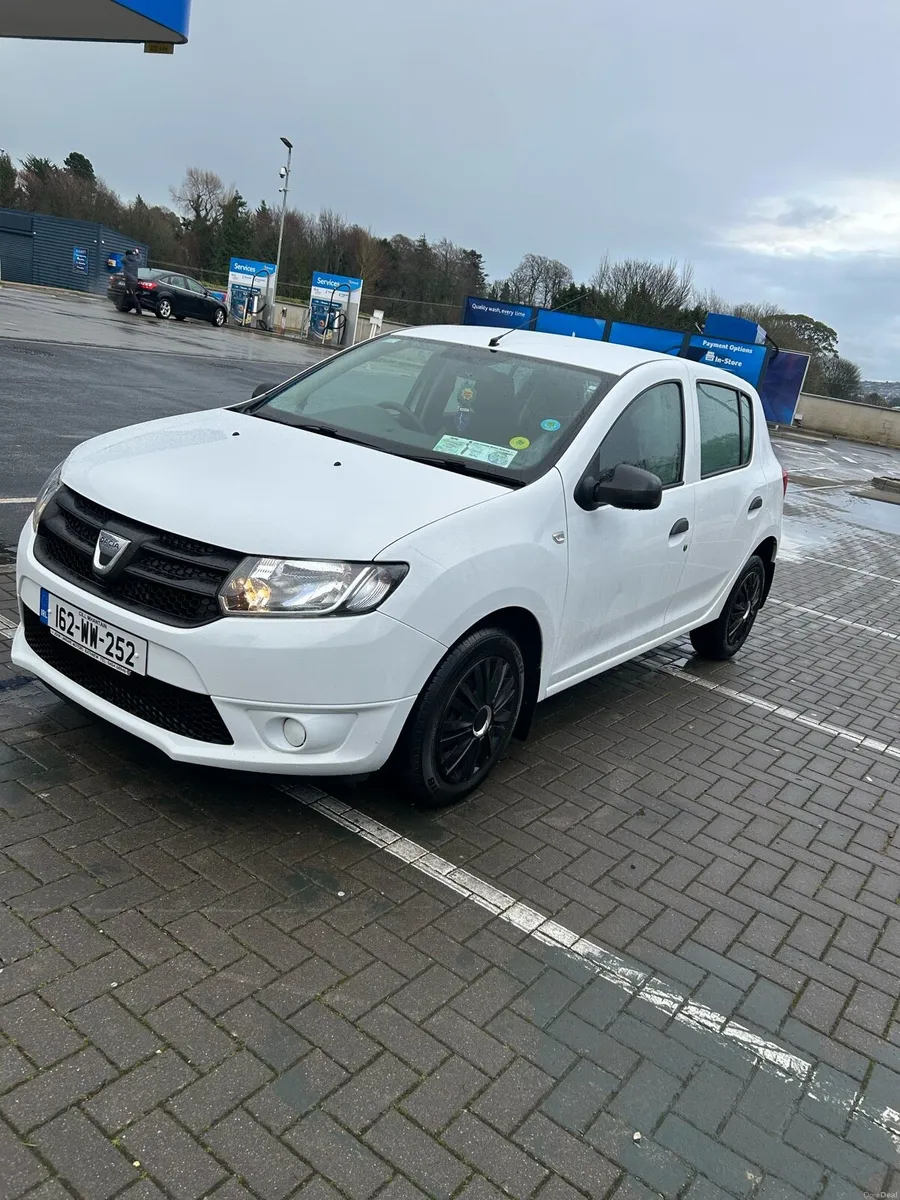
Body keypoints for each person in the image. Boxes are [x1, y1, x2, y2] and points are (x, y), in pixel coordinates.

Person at [122, 248, 143, 316]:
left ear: (126, 254)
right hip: (134, 281)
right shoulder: (136, 261)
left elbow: (122, 260)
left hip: (128, 280)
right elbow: (141, 259)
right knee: (129, 293)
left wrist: (130, 255)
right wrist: (137, 254)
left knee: (133, 295)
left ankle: (139, 311)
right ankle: (124, 305)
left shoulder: (125, 260)